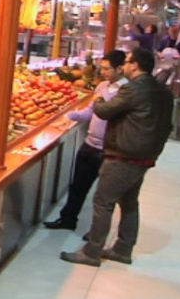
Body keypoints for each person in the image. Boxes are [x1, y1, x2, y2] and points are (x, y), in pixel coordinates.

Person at [60, 48, 174, 266]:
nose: (124, 66)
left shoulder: (133, 89)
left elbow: (104, 111)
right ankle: (123, 249)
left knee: (103, 201)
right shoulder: (163, 91)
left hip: (124, 153)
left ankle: (91, 252)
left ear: (135, 65)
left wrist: (98, 98)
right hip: (145, 155)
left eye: (128, 62)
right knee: (129, 202)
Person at [44, 50, 127, 231]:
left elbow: (112, 114)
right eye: (101, 68)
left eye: (107, 69)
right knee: (78, 186)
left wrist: (101, 101)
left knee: (103, 195)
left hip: (109, 149)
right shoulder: (102, 86)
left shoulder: (127, 91)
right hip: (90, 144)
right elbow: (90, 112)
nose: (102, 72)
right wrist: (68, 116)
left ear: (120, 69)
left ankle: (97, 232)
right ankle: (67, 220)